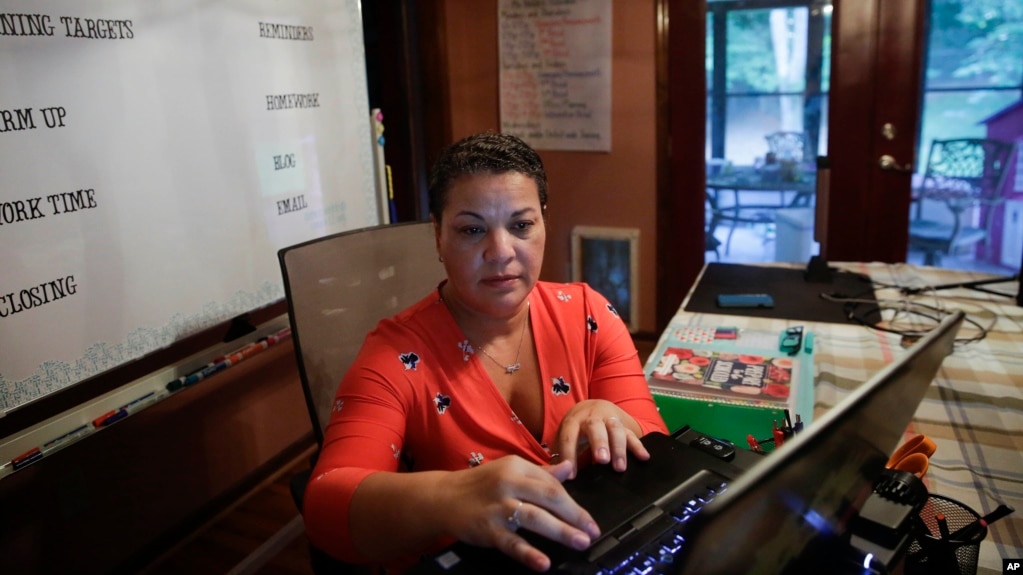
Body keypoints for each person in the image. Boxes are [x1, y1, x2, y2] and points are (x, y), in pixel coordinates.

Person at [303, 132, 668, 572]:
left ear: (544, 224)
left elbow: (656, 447)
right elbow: (325, 505)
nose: (500, 252)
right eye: (472, 229)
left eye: (521, 225)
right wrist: (449, 496)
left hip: (586, 549)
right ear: (437, 236)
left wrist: (615, 418)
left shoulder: (589, 313)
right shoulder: (396, 355)